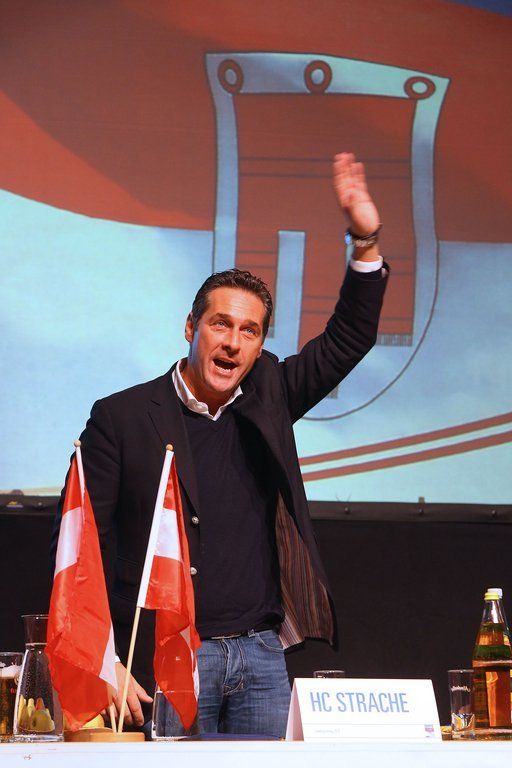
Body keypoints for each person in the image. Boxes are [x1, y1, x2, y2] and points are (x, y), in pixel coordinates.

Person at [52, 152, 388, 737]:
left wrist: (365, 242)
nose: (233, 343)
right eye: (221, 324)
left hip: (261, 657)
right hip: (169, 657)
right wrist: (104, 658)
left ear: (260, 346)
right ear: (191, 328)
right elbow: (84, 550)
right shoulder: (121, 418)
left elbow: (348, 339)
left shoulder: (270, 393)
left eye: (249, 331)